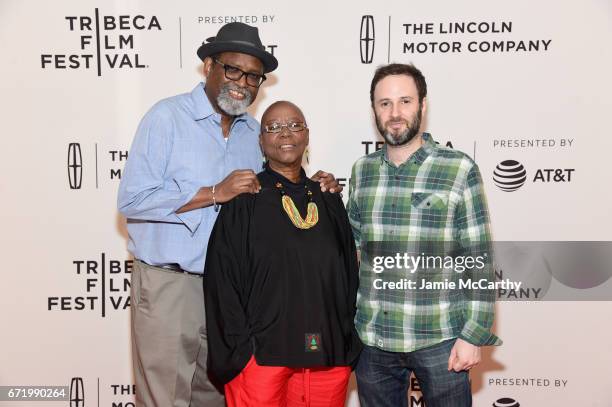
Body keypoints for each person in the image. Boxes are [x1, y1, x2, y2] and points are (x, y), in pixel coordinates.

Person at [117, 23, 342, 407]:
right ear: (209, 67)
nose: (242, 82)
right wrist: (212, 194)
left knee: (216, 397)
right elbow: (133, 200)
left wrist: (320, 187)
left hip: (231, 297)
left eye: (254, 76)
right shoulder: (167, 117)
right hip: (173, 285)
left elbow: (276, 193)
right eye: (232, 69)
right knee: (164, 398)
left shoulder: (253, 134)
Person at [347, 63, 502, 407]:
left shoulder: (459, 169)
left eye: (405, 101)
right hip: (373, 340)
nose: (395, 113)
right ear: (374, 109)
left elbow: (478, 258)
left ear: (423, 105)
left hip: (440, 338)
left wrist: (473, 335)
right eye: (384, 103)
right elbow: (352, 250)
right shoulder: (362, 171)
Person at [204, 101, 362, 407]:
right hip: (262, 359)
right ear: (261, 141)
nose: (284, 133)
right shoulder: (245, 200)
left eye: (294, 125)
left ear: (306, 135)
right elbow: (221, 281)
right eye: (273, 127)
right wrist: (242, 352)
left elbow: (348, 276)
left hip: (327, 356)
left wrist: (345, 340)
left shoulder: (328, 198)